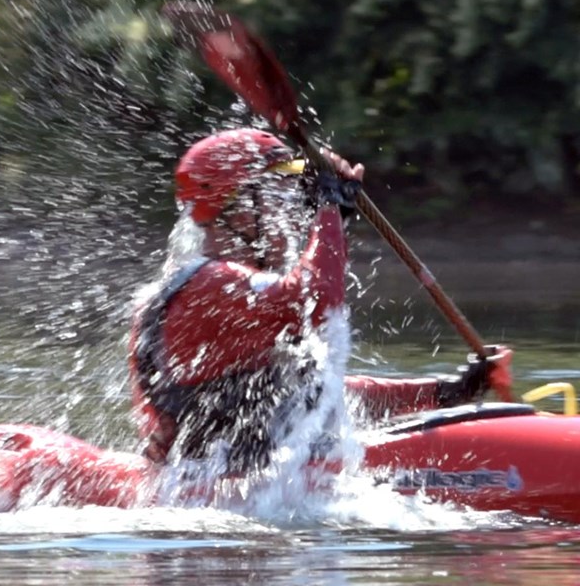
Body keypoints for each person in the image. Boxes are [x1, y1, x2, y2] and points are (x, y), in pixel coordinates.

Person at [129, 128, 513, 474]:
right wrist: (330, 207)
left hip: (238, 489)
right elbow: (319, 304)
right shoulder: (213, 284)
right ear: (240, 210)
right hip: (222, 501)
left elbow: (324, 393)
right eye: (277, 195)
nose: (292, 214)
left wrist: (446, 392)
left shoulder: (226, 289)